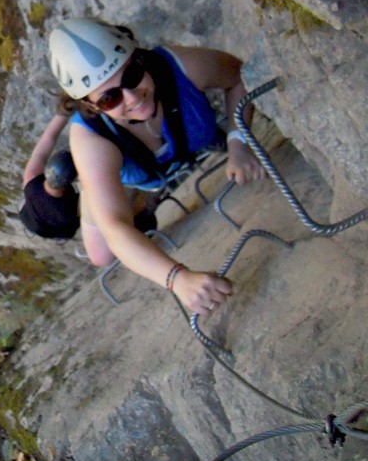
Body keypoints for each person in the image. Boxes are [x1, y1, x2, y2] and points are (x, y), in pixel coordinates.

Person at [47, 17, 267, 316]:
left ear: (138, 57)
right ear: (92, 106)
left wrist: (237, 140)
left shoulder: (181, 67)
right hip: (132, 175)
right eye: (110, 98)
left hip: (170, 157)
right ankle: (93, 186)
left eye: (133, 74)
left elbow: (238, 76)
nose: (133, 97)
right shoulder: (92, 139)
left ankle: (111, 187)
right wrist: (177, 279)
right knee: (102, 253)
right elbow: (115, 228)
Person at [18, 113, 79, 240]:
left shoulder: (32, 178)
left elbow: (48, 137)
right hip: (56, 227)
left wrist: (65, 110)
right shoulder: (69, 212)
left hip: (29, 216)